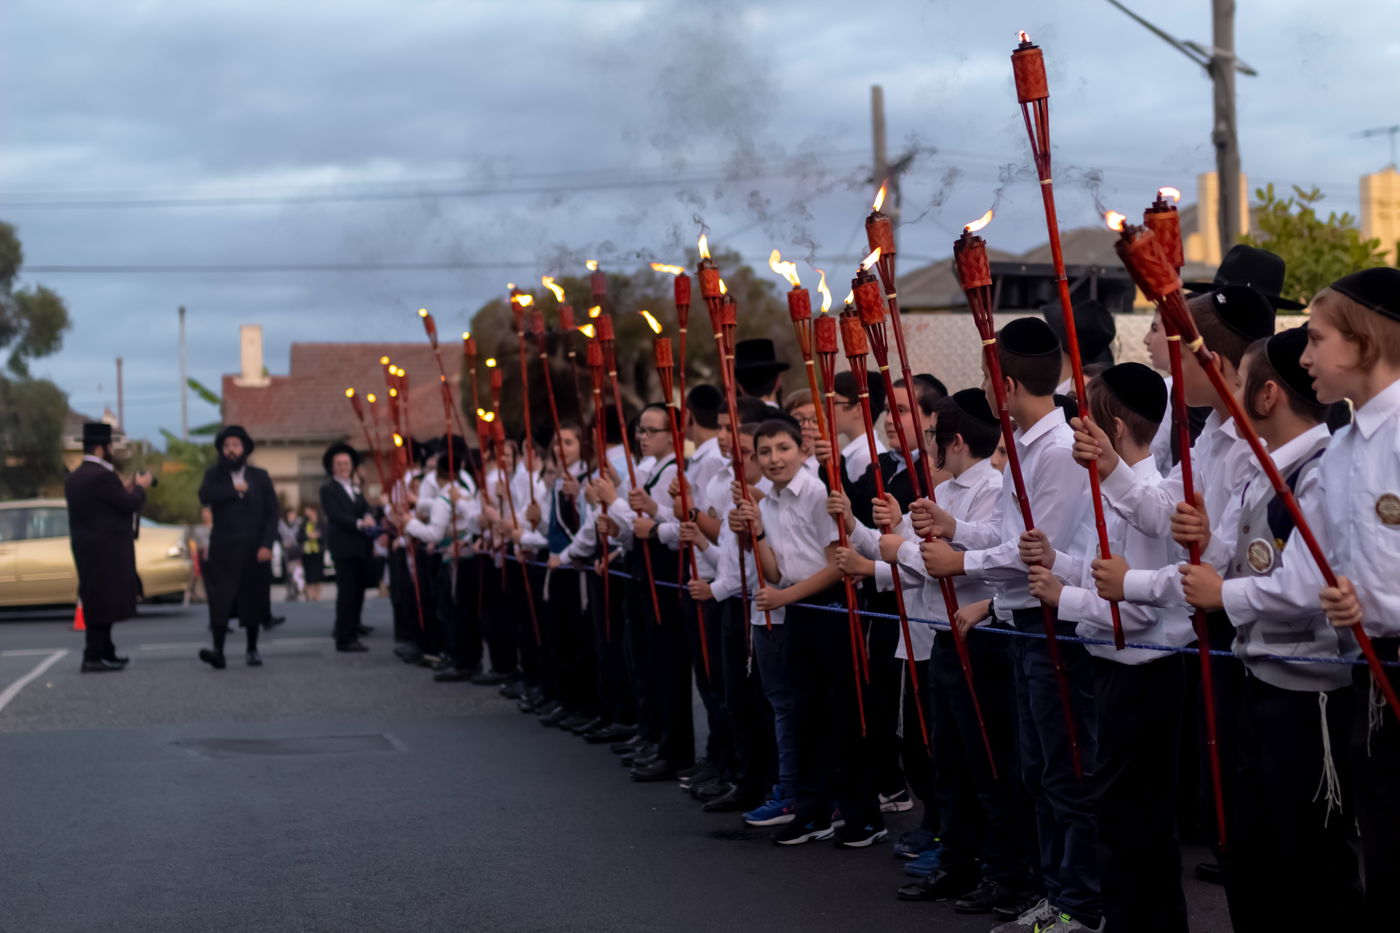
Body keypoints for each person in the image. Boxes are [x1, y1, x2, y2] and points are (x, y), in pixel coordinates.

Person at [921, 317, 1100, 932]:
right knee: (1038, 769)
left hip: (1057, 624)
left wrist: (962, 561)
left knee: (1064, 770)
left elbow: (1034, 547)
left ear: (1010, 382)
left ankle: (1080, 901)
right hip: (1024, 626)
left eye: (989, 377)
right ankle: (1057, 890)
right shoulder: (1023, 445)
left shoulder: (1057, 450)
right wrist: (956, 532)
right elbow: (1004, 534)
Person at [1024, 363, 1194, 932]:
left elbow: (1140, 606)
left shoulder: (1148, 496)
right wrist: (1059, 564)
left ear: (1114, 430)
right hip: (1116, 672)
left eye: (1085, 421)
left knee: (1134, 826)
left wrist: (1063, 598)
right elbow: (1105, 576)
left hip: (1143, 675)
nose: (1075, 431)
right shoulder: (1120, 491)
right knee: (1119, 819)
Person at [64, 422, 152, 672]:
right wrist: (140, 488)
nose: (112, 450)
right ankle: (93, 656)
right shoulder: (102, 476)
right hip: (106, 551)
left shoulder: (77, 476)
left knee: (97, 600)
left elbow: (105, 504)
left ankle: (106, 651)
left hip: (86, 549)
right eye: (111, 445)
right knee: (103, 602)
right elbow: (127, 504)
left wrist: (122, 491)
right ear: (102, 448)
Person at [197, 425, 278, 669]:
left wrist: (267, 544)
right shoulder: (214, 476)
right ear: (222, 450)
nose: (232, 450)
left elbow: (272, 513)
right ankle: (218, 651)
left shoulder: (259, 476)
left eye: (236, 445)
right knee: (220, 600)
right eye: (227, 446)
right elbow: (204, 495)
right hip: (223, 550)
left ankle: (252, 649)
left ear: (244, 449)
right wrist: (233, 489)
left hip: (254, 549)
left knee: (253, 598)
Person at [320, 442, 373, 652]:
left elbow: (364, 507)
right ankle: (344, 637)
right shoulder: (328, 489)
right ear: (333, 467)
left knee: (358, 591)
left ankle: (353, 630)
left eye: (346, 463)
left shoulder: (354, 488)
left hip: (360, 546)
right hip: (343, 547)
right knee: (347, 593)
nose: (343, 467)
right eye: (339, 464)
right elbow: (337, 516)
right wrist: (360, 523)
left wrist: (368, 515)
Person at [299, 505, 325, 601]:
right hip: (307, 552)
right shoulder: (304, 523)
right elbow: (299, 537)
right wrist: (308, 536)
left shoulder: (321, 523)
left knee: (318, 573)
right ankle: (310, 595)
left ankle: (317, 595)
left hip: (318, 551)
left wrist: (317, 536)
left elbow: (325, 536)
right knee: (309, 574)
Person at [278, 508, 305, 601]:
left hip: (296, 552)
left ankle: (296, 589)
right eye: (291, 514)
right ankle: (289, 591)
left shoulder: (298, 525)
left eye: (294, 515)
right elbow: (277, 536)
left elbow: (302, 537)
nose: (293, 516)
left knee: (296, 572)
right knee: (287, 573)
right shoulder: (281, 525)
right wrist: (282, 543)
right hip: (286, 553)